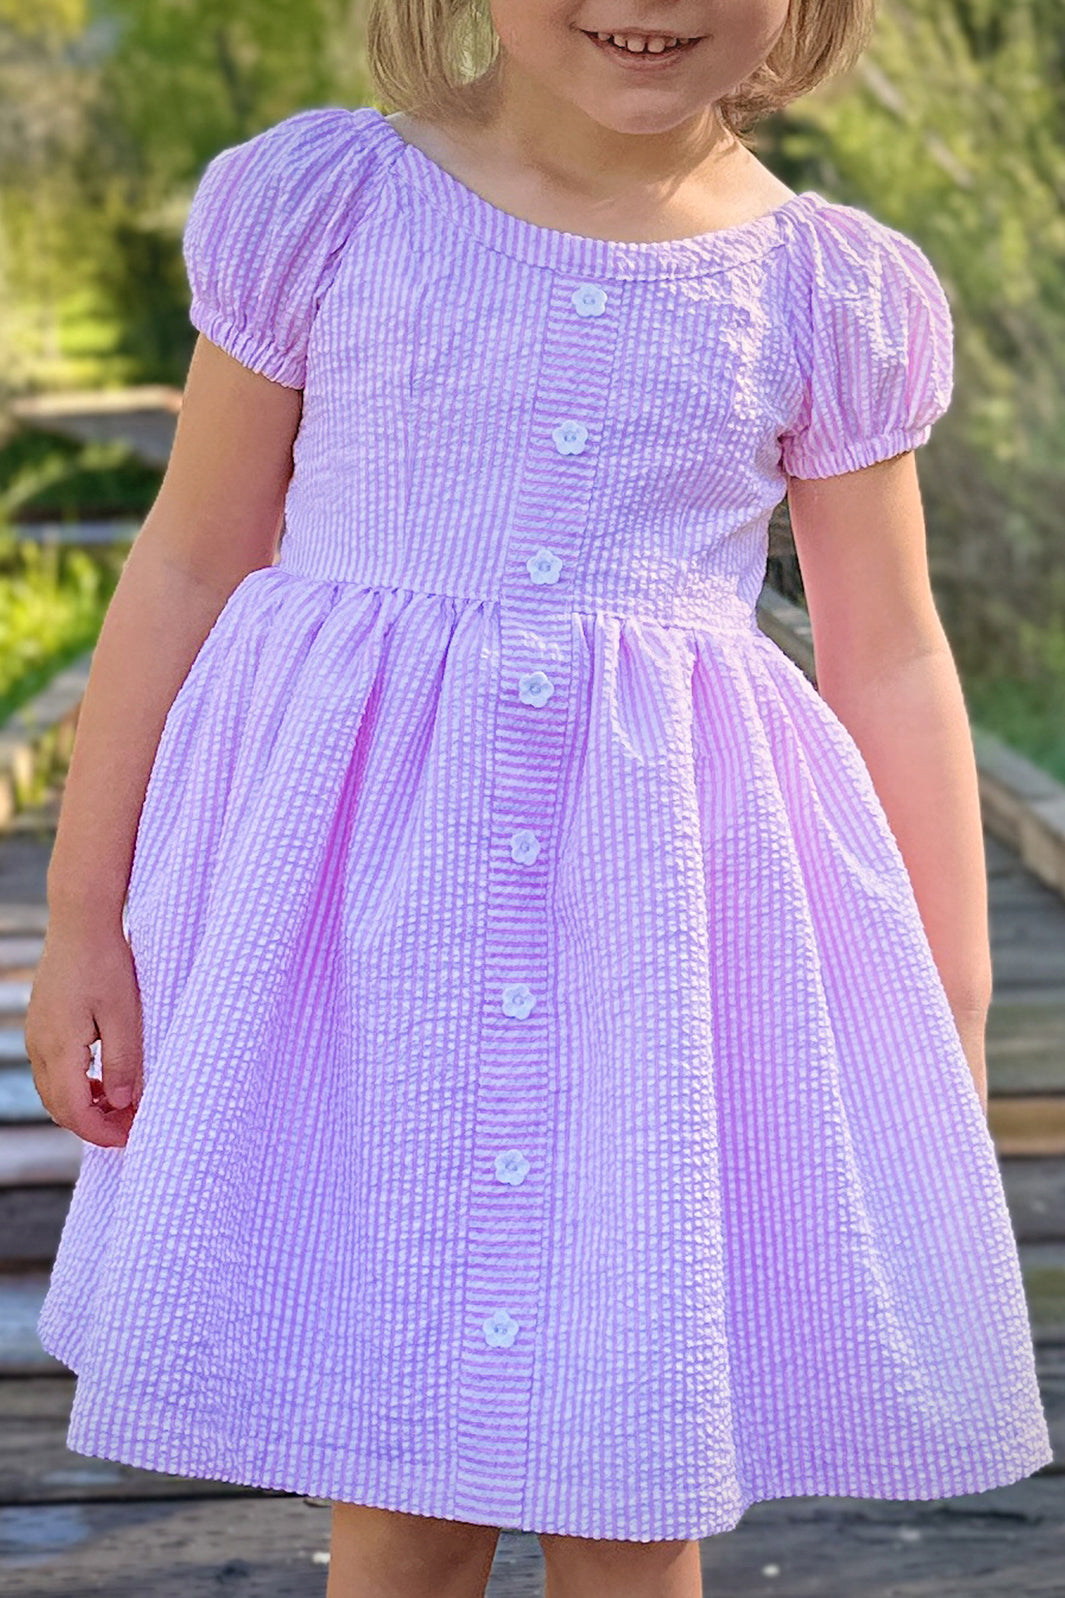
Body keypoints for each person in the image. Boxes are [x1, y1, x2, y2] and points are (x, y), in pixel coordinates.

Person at [26, 1, 1053, 1594]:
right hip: (366, 957)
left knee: (631, 1478)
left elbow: (892, 658)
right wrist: (85, 915)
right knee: (397, 1480)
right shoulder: (332, 209)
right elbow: (187, 565)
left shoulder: (823, 291)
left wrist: (945, 1015)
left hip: (653, 959)